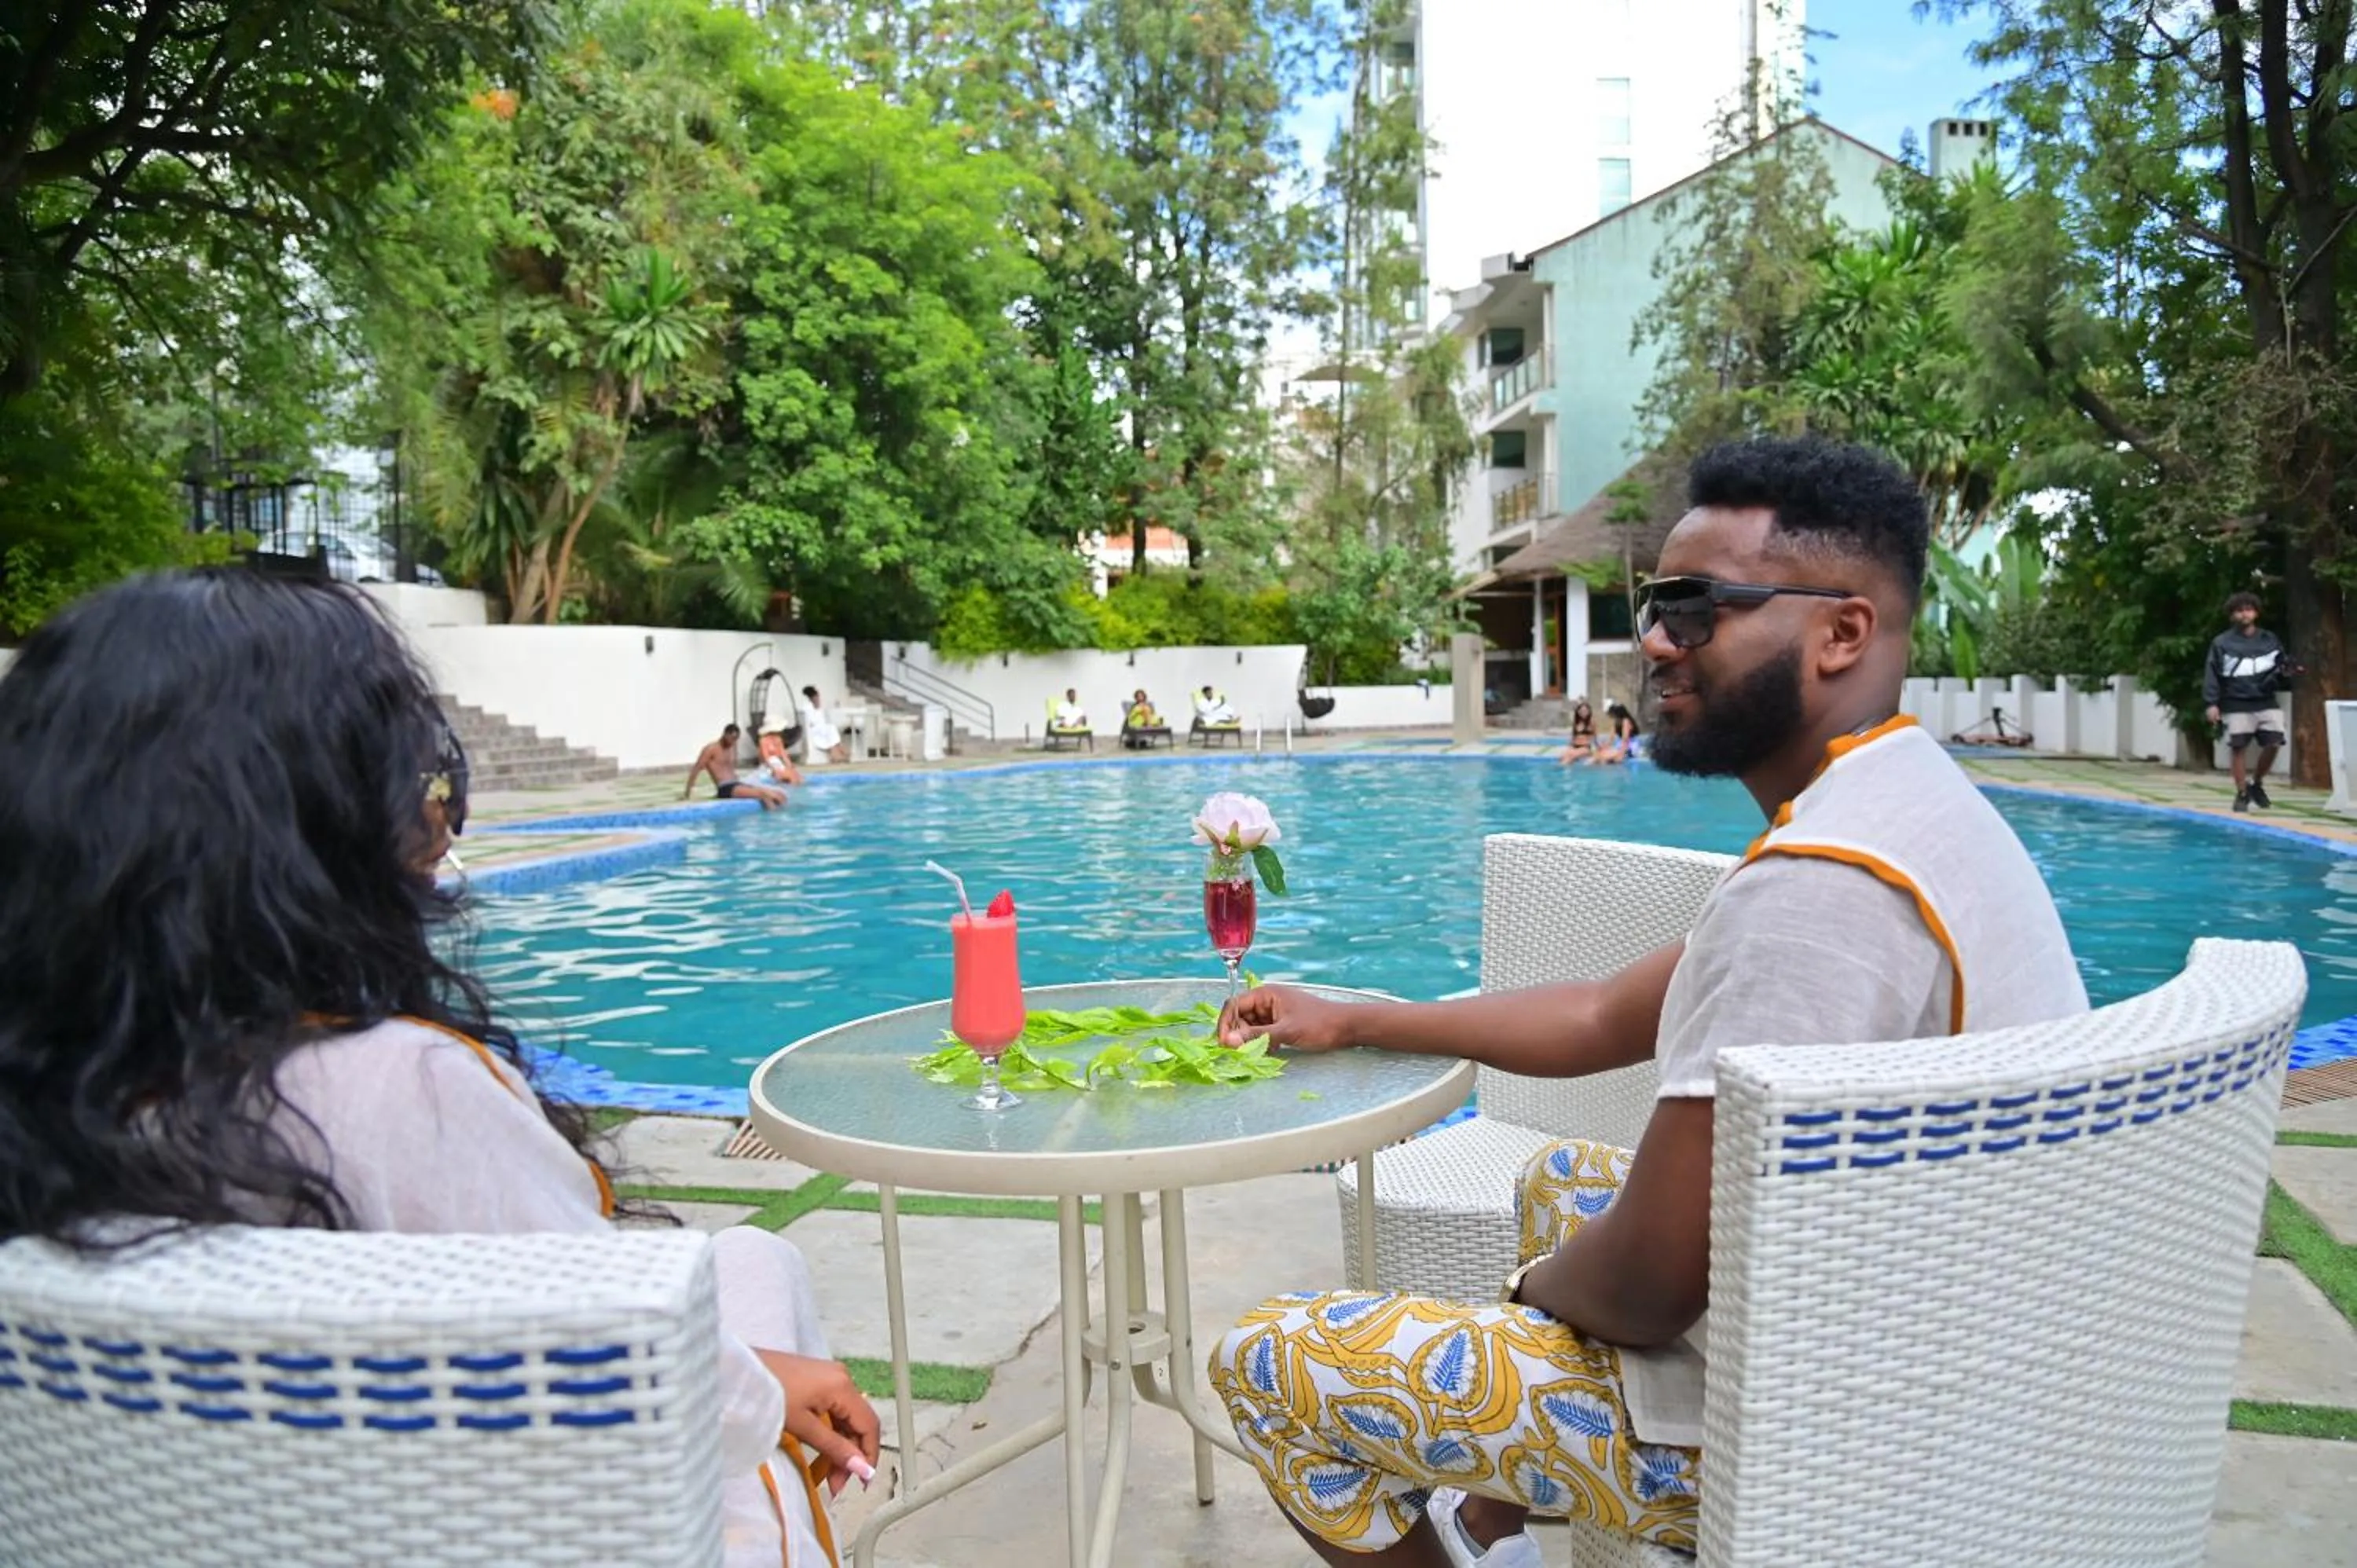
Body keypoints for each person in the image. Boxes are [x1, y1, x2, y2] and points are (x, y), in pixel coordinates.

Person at [1208, 436, 2090, 1567]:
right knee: (1561, 1179)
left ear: (1842, 631)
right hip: (1920, 1328)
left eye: (1696, 608)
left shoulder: (1821, 895)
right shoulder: (1897, 808)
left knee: (1276, 1363)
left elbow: (1651, 1285)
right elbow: (1596, 1017)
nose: (1656, 643)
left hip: (1836, 1435)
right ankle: (1492, 1534)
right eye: (1653, 606)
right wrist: (1363, 1012)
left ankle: (1513, 1524)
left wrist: (1526, 1301)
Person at [0, 570, 878, 1568]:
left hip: (207, 1517)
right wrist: (760, 1395)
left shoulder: (63, 1086)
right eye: (420, 787)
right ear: (322, 832)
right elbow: (618, 1354)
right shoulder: (392, 1087)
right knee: (759, 1309)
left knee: (752, 1265)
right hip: (492, 1522)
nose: (437, 818)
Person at [2203, 591, 2296, 812]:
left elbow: (2281, 665)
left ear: (2256, 612)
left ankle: (2257, 783)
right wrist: (2211, 703)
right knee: (2238, 747)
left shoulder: (2269, 639)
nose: (2244, 614)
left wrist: (2288, 669)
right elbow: (2212, 673)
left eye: (2248, 609)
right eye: (2239, 611)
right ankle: (2242, 792)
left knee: (2275, 743)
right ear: (2232, 615)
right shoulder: (2222, 643)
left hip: (2266, 700)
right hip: (2236, 702)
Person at [685, 723, 786, 809]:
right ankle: (772, 822)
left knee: (779, 795)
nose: (734, 742)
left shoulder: (731, 748)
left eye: (736, 739)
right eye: (732, 738)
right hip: (725, 788)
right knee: (765, 795)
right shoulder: (711, 749)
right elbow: (696, 769)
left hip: (737, 784)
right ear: (725, 734)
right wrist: (687, 793)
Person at [800, 686, 850, 764]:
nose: (819, 700)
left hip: (822, 730)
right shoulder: (807, 708)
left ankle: (838, 752)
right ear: (812, 698)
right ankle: (837, 754)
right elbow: (812, 723)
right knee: (830, 729)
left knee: (831, 728)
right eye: (817, 698)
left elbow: (821, 721)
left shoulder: (818, 709)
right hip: (814, 732)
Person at [757, 720, 805, 787]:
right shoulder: (763, 741)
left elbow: (783, 754)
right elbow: (766, 757)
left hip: (779, 762)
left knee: (797, 776)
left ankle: (794, 788)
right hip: (770, 763)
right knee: (790, 776)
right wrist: (773, 769)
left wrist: (790, 765)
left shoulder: (778, 739)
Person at [1593, 699, 1641, 764]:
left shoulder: (1626, 721)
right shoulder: (1616, 723)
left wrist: (1621, 753)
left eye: (1612, 713)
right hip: (1620, 746)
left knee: (1602, 757)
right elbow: (1611, 739)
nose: (1611, 715)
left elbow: (1625, 739)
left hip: (1630, 746)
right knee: (1599, 756)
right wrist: (1603, 747)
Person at [1557, 698, 1597, 764]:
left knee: (1570, 756)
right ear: (1578, 712)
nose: (1583, 713)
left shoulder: (1591, 722)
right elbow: (1573, 737)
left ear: (1589, 712)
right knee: (1562, 756)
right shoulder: (1576, 722)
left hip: (1585, 747)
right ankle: (1566, 772)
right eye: (1581, 711)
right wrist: (1570, 746)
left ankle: (1559, 771)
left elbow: (1595, 736)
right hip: (1574, 746)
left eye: (1585, 711)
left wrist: (1596, 749)